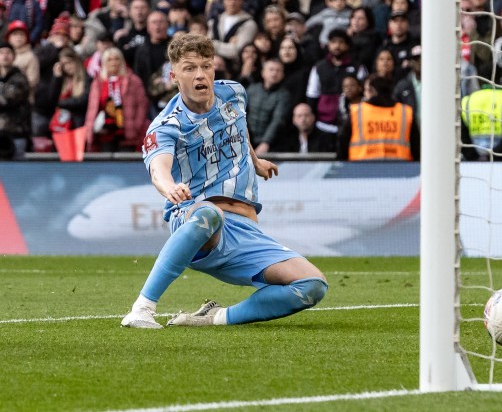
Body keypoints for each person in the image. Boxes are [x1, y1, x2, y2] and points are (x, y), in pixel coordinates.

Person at [121, 33, 328, 329]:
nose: (200, 74)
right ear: (174, 75)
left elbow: (239, 129)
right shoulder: (167, 126)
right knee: (209, 214)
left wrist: (255, 162)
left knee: (312, 285)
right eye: (190, 68)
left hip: (244, 230)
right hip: (195, 220)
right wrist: (170, 188)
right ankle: (142, 308)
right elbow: (158, 170)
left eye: (206, 66)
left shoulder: (234, 93)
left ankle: (214, 317)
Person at [337, 74, 418, 161]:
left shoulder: (357, 112)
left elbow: (342, 145)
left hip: (360, 169)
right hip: (401, 169)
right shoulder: (405, 113)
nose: (364, 94)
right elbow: (417, 147)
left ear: (373, 91)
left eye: (367, 91)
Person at [85, 46, 149, 152]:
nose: (113, 62)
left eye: (116, 59)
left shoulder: (133, 80)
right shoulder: (98, 83)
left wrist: (136, 126)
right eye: (109, 60)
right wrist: (90, 129)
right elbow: (92, 108)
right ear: (104, 63)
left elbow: (142, 105)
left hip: (128, 132)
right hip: (105, 133)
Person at [460, 84, 502, 161]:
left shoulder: (466, 100)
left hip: (472, 158)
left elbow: (460, 132)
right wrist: (497, 155)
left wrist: (472, 156)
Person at [245, 58, 291, 155]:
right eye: (271, 70)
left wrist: (266, 142)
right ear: (263, 73)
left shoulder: (284, 95)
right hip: (246, 139)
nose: (274, 73)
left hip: (271, 144)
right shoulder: (252, 90)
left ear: (282, 75)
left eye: (278, 71)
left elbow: (278, 120)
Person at [0, 42, 31, 159]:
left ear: (13, 56)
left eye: (8, 53)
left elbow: (7, 100)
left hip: (15, 134)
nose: (5, 56)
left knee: (17, 172)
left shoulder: (19, 78)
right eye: (1, 53)